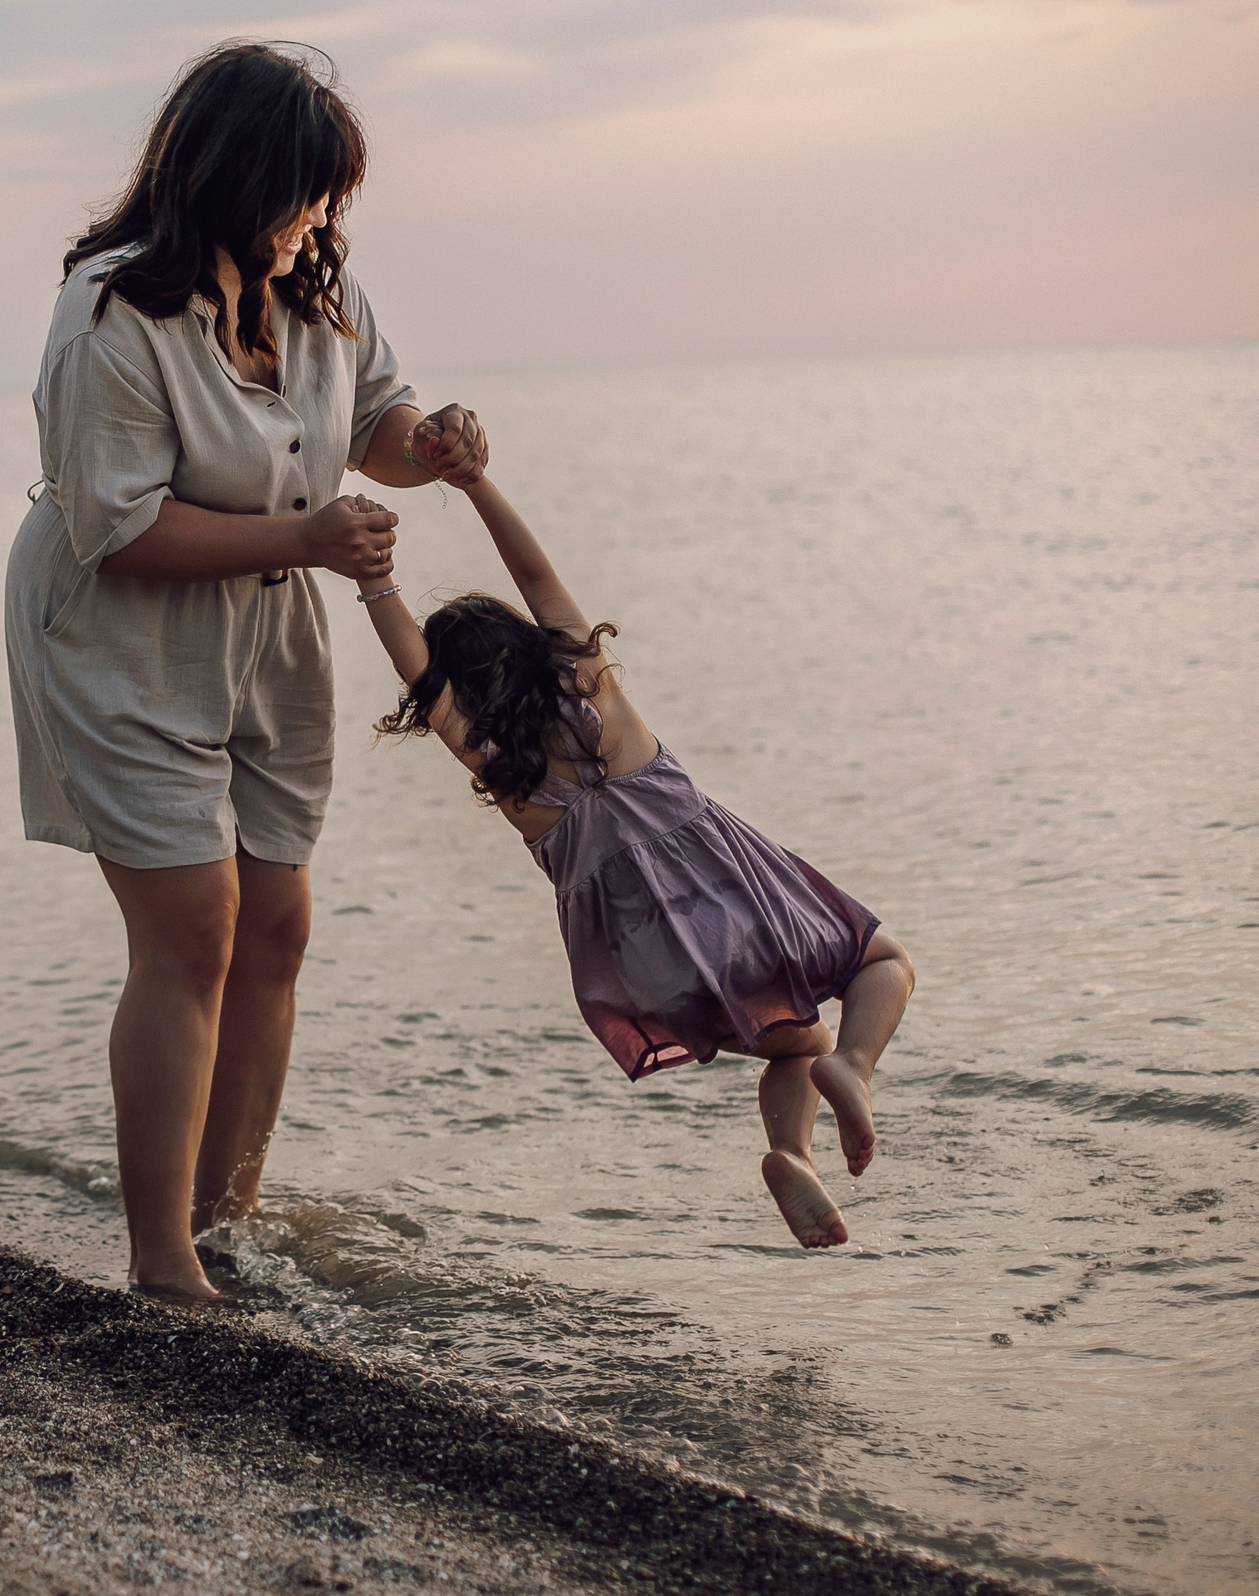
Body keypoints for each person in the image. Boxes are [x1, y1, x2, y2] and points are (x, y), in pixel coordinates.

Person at [5, 42, 489, 1300]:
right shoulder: (111, 314)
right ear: (229, 176)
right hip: (119, 626)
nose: (319, 219)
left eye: (332, 197)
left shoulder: (317, 290)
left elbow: (372, 426)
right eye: (303, 193)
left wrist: (425, 446)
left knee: (276, 924)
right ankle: (162, 1259)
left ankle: (232, 1221)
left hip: (269, 629)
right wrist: (308, 538)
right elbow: (116, 527)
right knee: (191, 928)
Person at [345, 476, 916, 1249]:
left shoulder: (496, 765)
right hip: (739, 908)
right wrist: (475, 481)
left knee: (795, 1042)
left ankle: (793, 1153)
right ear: (526, 646)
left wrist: (375, 579)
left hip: (652, 968)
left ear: (459, 696)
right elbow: (537, 575)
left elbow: (418, 670)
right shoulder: (594, 691)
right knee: (881, 962)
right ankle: (855, 1065)